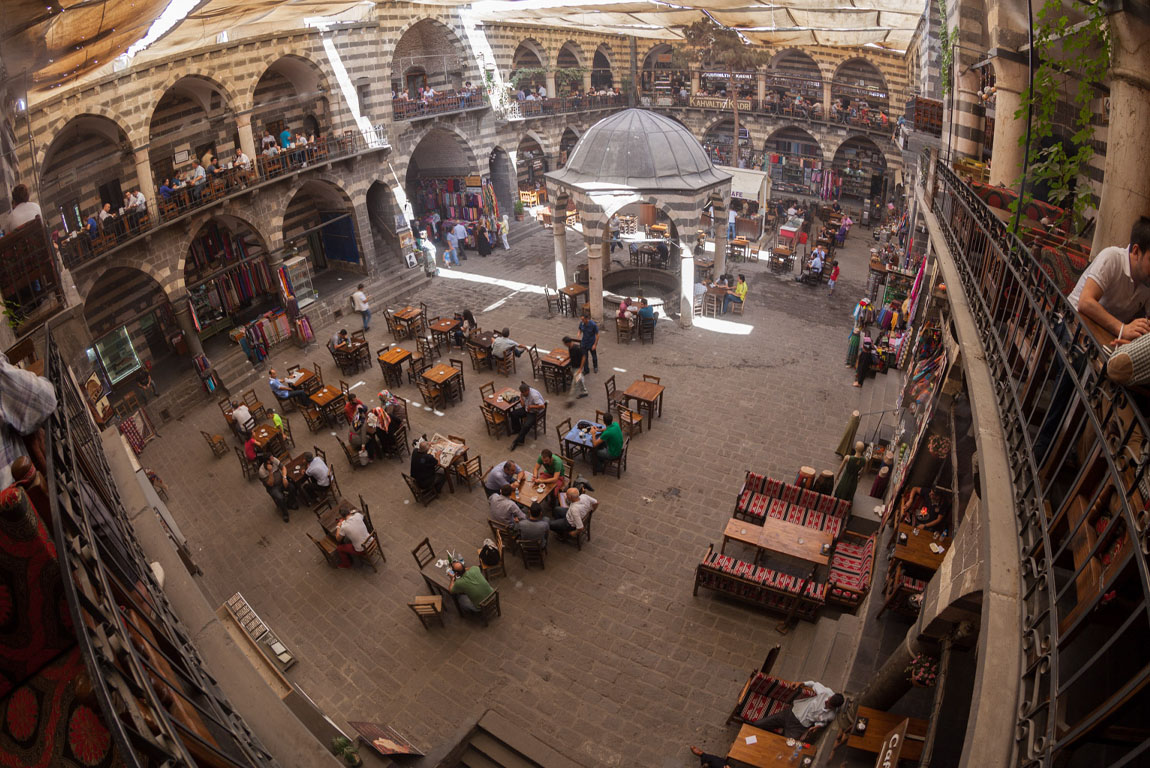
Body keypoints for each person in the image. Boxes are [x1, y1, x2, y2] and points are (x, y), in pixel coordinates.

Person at [752, 681, 843, 740]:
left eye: (828, 703)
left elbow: (823, 722)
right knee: (757, 724)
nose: (826, 701)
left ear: (832, 707)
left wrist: (818, 726)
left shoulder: (831, 715)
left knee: (785, 747)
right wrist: (801, 683)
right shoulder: (826, 693)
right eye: (829, 699)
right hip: (790, 714)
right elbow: (814, 684)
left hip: (798, 727)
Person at [509, 381, 546, 450]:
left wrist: (531, 407)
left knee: (526, 425)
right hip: (527, 408)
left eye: (524, 393)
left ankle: (519, 441)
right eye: (522, 393)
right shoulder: (523, 394)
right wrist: (521, 397)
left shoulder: (534, 395)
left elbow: (542, 406)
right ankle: (517, 429)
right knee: (513, 414)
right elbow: (523, 405)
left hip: (535, 412)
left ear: (528, 390)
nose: (523, 394)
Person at [334, 501, 371, 567]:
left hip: (362, 550)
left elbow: (338, 539)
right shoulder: (358, 515)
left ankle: (346, 563)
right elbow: (359, 513)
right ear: (349, 511)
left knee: (339, 548)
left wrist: (338, 526)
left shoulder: (344, 527)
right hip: (371, 541)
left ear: (342, 516)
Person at [259, 455, 296, 522]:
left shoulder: (274, 460)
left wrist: (284, 478)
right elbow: (270, 484)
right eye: (271, 459)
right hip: (273, 487)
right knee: (280, 498)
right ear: (267, 462)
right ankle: (285, 514)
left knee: (292, 487)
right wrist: (270, 472)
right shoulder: (262, 471)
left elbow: (283, 468)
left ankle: (290, 504)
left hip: (281, 481)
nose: (273, 459)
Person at [578, 309, 599, 374]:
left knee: (594, 356)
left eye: (583, 319)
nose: (582, 321)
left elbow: (597, 335)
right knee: (585, 357)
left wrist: (595, 345)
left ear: (587, 319)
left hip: (591, 343)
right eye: (581, 319)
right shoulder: (582, 323)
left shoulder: (593, 325)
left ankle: (595, 367)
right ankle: (586, 370)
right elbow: (580, 329)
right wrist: (579, 333)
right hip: (584, 343)